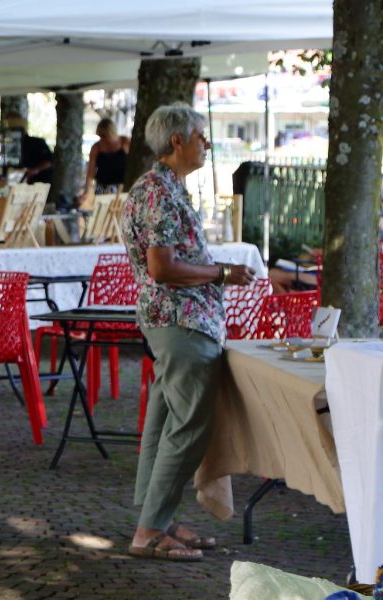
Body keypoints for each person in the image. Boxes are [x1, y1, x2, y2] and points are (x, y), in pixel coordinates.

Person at [119, 103, 255, 563]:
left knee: (163, 424)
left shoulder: (162, 187)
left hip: (175, 322)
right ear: (177, 141)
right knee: (190, 427)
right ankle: (149, 530)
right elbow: (162, 267)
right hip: (180, 323)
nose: (208, 143)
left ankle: (159, 518)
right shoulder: (158, 192)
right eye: (201, 136)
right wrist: (220, 273)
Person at [84, 118, 130, 198]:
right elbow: (90, 172)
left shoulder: (125, 142)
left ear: (111, 133)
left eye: (104, 136)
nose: (101, 139)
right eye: (99, 136)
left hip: (121, 188)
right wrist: (86, 192)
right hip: (102, 189)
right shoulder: (96, 147)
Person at [4, 112, 53, 185]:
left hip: (39, 184)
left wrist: (36, 169)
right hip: (19, 185)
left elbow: (50, 161)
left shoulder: (37, 142)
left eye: (13, 129)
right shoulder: (10, 147)